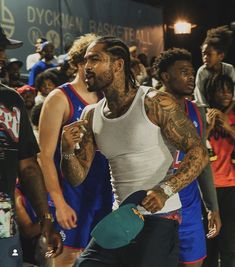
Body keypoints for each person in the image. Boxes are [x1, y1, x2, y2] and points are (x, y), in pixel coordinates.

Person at [60, 36, 209, 267]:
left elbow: (198, 151)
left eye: (95, 60)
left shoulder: (154, 102)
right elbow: (76, 177)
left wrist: (164, 190)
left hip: (161, 218)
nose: (86, 67)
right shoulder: (91, 114)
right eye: (85, 61)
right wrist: (67, 150)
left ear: (118, 65)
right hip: (121, 219)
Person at [39, 34, 113, 267]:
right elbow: (45, 157)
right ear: (79, 63)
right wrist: (58, 203)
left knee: (102, 259)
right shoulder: (59, 99)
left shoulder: (107, 97)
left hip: (104, 195)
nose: (97, 67)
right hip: (72, 196)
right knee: (67, 259)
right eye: (93, 61)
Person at [0, 25, 62, 266]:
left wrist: (44, 215)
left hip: (3, 217)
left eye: (3, 49)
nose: (2, 56)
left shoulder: (11, 100)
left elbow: (27, 165)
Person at [154, 48, 221, 267]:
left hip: (189, 207)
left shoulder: (196, 111)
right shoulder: (148, 107)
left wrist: (212, 207)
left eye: (192, 72)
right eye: (183, 72)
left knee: (193, 263)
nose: (191, 77)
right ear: (165, 76)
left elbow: (202, 163)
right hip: (157, 205)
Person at [202, 74, 235, 267]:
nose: (226, 95)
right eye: (220, 90)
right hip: (207, 190)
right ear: (210, 93)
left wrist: (230, 129)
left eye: (229, 90)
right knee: (209, 244)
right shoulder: (202, 115)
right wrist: (208, 127)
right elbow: (193, 149)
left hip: (232, 188)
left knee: (230, 244)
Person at [194, 25, 235, 109]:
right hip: (207, 111)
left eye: (209, 54)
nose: (205, 57)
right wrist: (211, 114)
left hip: (227, 109)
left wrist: (224, 115)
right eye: (203, 54)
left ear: (221, 56)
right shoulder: (202, 71)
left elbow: (234, 96)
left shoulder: (229, 69)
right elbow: (200, 99)